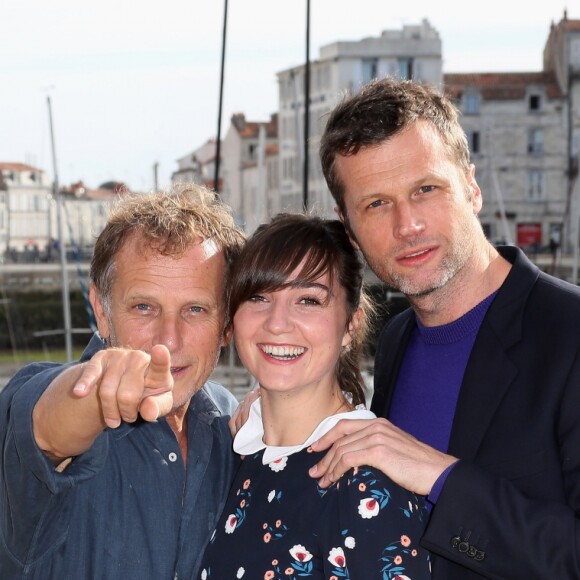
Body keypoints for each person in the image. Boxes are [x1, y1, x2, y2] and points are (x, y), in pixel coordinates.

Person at [304, 76, 580, 578]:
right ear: (349, 227)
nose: (406, 224)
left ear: (471, 187)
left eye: (425, 189)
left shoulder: (570, 333)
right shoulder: (396, 340)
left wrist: (442, 478)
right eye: (377, 204)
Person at [0, 184, 245, 579]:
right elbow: (46, 427)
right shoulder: (43, 395)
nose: (168, 339)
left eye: (196, 309)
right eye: (144, 307)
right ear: (101, 309)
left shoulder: (234, 427)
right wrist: (96, 394)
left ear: (227, 324)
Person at [200, 213, 431, 579]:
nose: (277, 323)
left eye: (308, 300)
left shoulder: (363, 482)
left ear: (350, 326)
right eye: (258, 296)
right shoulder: (242, 453)